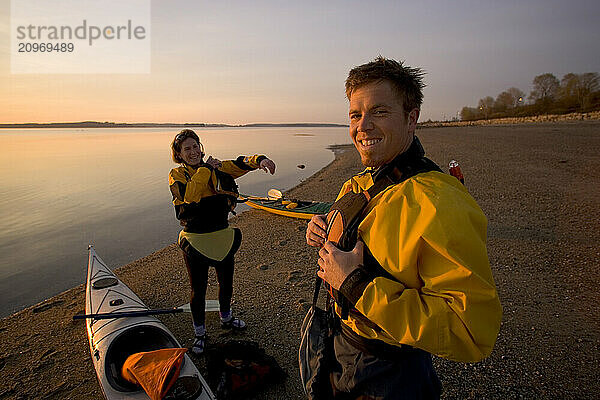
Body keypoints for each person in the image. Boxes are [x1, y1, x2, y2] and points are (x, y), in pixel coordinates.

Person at [305, 57, 502, 398]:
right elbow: (356, 241)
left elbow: (470, 331)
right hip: (340, 347)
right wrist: (324, 231)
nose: (362, 127)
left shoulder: (438, 202)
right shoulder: (357, 184)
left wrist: (355, 285)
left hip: (391, 373)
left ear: (412, 118)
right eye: (355, 114)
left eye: (379, 112)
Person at [169, 129, 276, 355]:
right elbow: (190, 196)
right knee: (198, 289)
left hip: (222, 236)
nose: (193, 151)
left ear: (201, 147)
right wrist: (206, 169)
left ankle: (226, 318)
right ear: (179, 154)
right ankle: (200, 333)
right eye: (186, 149)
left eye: (195, 146)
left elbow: (240, 163)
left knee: (226, 283)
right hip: (195, 240)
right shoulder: (177, 175)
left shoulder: (217, 168)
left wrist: (260, 160)